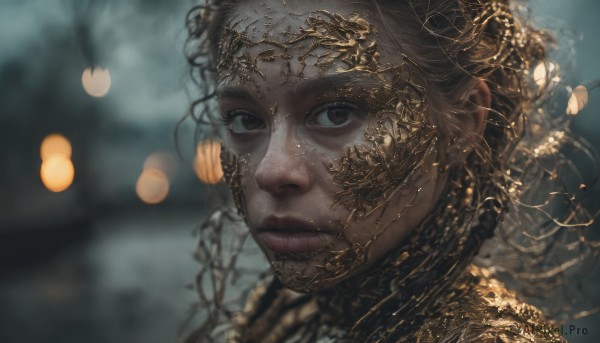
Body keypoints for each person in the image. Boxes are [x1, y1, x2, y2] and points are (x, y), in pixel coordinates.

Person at [181, 0, 598, 342]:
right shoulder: (280, 323)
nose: (271, 171)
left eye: (336, 112)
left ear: (465, 123)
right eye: (243, 119)